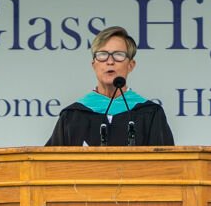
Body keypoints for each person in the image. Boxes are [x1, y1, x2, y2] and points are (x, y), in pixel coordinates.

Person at [44, 27, 175, 147]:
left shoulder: (150, 114)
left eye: (118, 55)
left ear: (131, 65)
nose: (110, 61)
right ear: (94, 65)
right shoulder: (72, 116)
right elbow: (49, 167)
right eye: (102, 55)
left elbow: (166, 166)